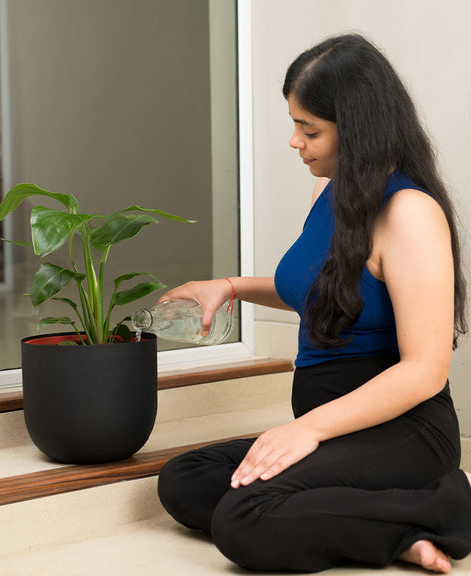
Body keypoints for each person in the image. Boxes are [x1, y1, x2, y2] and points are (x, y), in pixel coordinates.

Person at [157, 33, 471, 574]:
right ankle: (404, 528)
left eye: (310, 129)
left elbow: (425, 370)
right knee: (187, 480)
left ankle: (444, 505)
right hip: (333, 426)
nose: (295, 142)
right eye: (295, 125)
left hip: (403, 431)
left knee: (244, 518)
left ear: (359, 129)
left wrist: (308, 429)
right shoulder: (331, 193)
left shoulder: (409, 214)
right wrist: (229, 287)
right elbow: (318, 292)